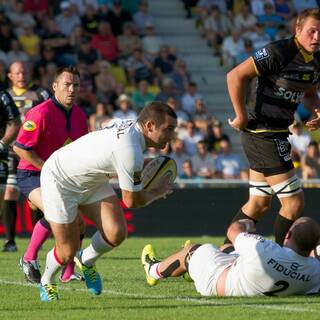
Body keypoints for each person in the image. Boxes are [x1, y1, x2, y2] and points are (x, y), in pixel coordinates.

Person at [38, 101, 177, 301]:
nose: (172, 135)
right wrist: (157, 192)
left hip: (91, 180)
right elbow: (131, 201)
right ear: (149, 126)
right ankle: (47, 280)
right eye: (169, 129)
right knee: (66, 251)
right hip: (59, 180)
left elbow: (106, 123)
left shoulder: (130, 125)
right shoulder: (131, 152)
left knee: (116, 232)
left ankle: (85, 260)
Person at [225, 8, 320, 245]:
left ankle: (223, 253)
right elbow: (235, 76)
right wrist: (240, 116)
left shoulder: (315, 61)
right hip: (262, 132)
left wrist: (316, 108)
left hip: (277, 132)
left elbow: (308, 92)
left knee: (258, 205)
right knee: (294, 202)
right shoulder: (279, 51)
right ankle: (282, 262)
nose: (317, 37)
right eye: (312, 31)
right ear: (298, 30)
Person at [14, 66, 88, 284]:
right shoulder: (40, 112)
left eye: (76, 85)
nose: (72, 89)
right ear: (55, 86)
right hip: (31, 175)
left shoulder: (80, 116)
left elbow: (80, 150)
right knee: (58, 212)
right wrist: (47, 167)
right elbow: (20, 148)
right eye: (67, 84)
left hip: (61, 178)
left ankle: (68, 272)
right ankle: (28, 258)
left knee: (79, 223)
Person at [141, 217, 320, 296]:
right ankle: (191, 271)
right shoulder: (315, 272)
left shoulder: (266, 249)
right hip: (241, 274)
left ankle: (153, 270)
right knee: (226, 248)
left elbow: (233, 230)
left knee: (191, 250)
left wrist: (247, 224)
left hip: (217, 282)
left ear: (288, 236)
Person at [3, 60, 50, 252]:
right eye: (17, 73)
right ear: (10, 76)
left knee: (35, 199)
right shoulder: (5, 96)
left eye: (24, 72)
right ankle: (10, 241)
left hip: (33, 153)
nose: (21, 76)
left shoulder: (41, 93)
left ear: (29, 73)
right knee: (10, 192)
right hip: (11, 152)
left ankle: (36, 241)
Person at [0, 90, 21, 214]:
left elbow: (16, 122)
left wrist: (2, 144)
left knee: (5, 192)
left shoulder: (2, 95)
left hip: (2, 153)